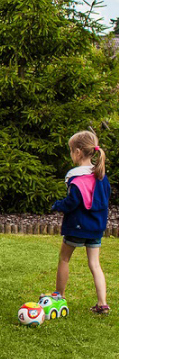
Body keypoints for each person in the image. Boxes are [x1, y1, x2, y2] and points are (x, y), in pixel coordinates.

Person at [50, 130, 112, 315]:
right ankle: (102, 303)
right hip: (96, 227)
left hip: (77, 226)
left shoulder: (76, 178)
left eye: (71, 150)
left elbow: (72, 202)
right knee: (95, 264)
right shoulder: (101, 175)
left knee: (64, 258)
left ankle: (59, 296)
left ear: (77, 152)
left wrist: (57, 205)